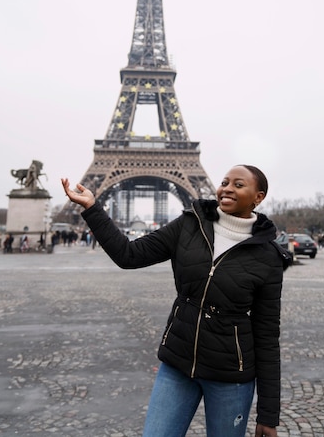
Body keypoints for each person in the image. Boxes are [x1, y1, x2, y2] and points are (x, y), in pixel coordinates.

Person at [62, 165, 291, 437]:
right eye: (224, 182)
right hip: (178, 365)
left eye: (239, 185)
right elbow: (129, 255)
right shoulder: (189, 225)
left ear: (259, 196)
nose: (227, 188)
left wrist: (268, 414)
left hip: (230, 377)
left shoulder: (268, 257)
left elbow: (266, 335)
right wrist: (92, 208)